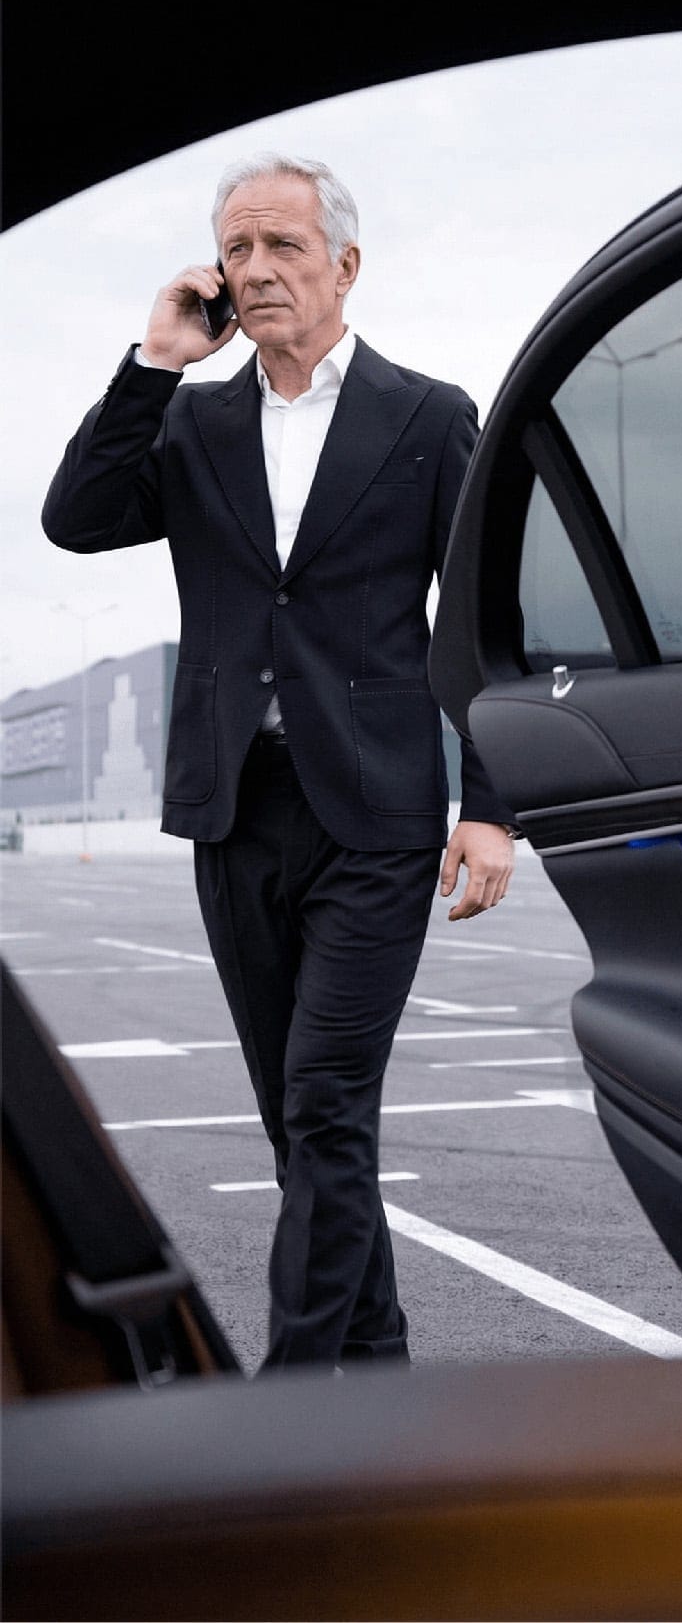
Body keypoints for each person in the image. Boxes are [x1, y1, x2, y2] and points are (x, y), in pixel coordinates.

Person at [43, 154, 519, 1371]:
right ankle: (375, 1365)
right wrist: (157, 360)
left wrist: (492, 806)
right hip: (233, 807)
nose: (256, 271)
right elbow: (78, 516)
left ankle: (297, 1395)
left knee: (321, 1103)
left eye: (283, 248)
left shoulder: (427, 415)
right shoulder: (194, 420)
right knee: (302, 1125)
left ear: (345, 265)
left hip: (378, 813)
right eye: (236, 249)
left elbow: (484, 620)